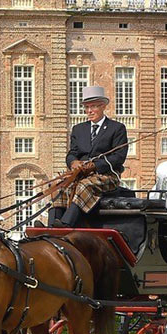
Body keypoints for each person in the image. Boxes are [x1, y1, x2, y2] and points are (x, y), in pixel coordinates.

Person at [52, 85, 129, 228]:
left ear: (103, 106)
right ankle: (51, 226)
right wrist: (73, 162)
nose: (89, 111)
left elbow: (118, 157)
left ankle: (66, 225)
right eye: (86, 107)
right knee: (57, 184)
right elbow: (72, 153)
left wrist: (95, 166)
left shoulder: (117, 128)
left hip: (106, 176)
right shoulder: (78, 129)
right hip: (80, 174)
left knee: (84, 186)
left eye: (93, 106)